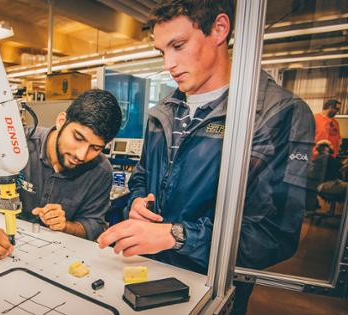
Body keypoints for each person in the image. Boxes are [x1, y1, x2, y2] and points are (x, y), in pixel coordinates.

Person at [96, 1, 314, 314]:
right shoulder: (163, 112)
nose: (169, 64)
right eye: (162, 51)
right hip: (152, 274)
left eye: (179, 45)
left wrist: (175, 236)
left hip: (214, 288)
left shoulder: (275, 115)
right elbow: (143, 175)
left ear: (219, 29)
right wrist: (139, 201)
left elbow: (272, 234)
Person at [0, 89, 122, 263]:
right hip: (12, 250)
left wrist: (66, 226)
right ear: (62, 121)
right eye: (78, 138)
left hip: (60, 258)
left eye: (95, 148)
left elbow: (93, 225)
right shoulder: (17, 145)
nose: (82, 155)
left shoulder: (100, 170)